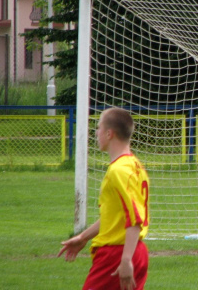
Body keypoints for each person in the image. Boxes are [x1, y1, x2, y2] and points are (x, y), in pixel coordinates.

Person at [58, 107, 150, 290]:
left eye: (98, 128)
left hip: (117, 252)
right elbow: (116, 215)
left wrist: (125, 260)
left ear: (109, 133)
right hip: (135, 251)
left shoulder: (119, 171)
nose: (96, 133)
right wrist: (84, 237)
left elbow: (135, 219)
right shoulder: (135, 165)